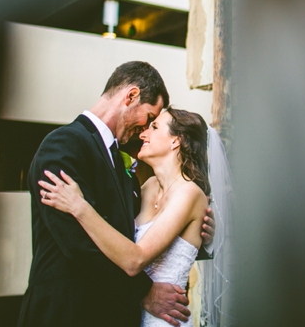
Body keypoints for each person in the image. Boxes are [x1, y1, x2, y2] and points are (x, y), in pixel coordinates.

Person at [17, 61, 214, 327]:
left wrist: (198, 236)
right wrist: (144, 291)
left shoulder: (126, 168)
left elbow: (137, 235)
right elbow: (78, 242)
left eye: (154, 125)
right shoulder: (63, 144)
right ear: (131, 96)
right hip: (65, 313)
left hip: (111, 315)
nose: (144, 130)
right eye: (149, 117)